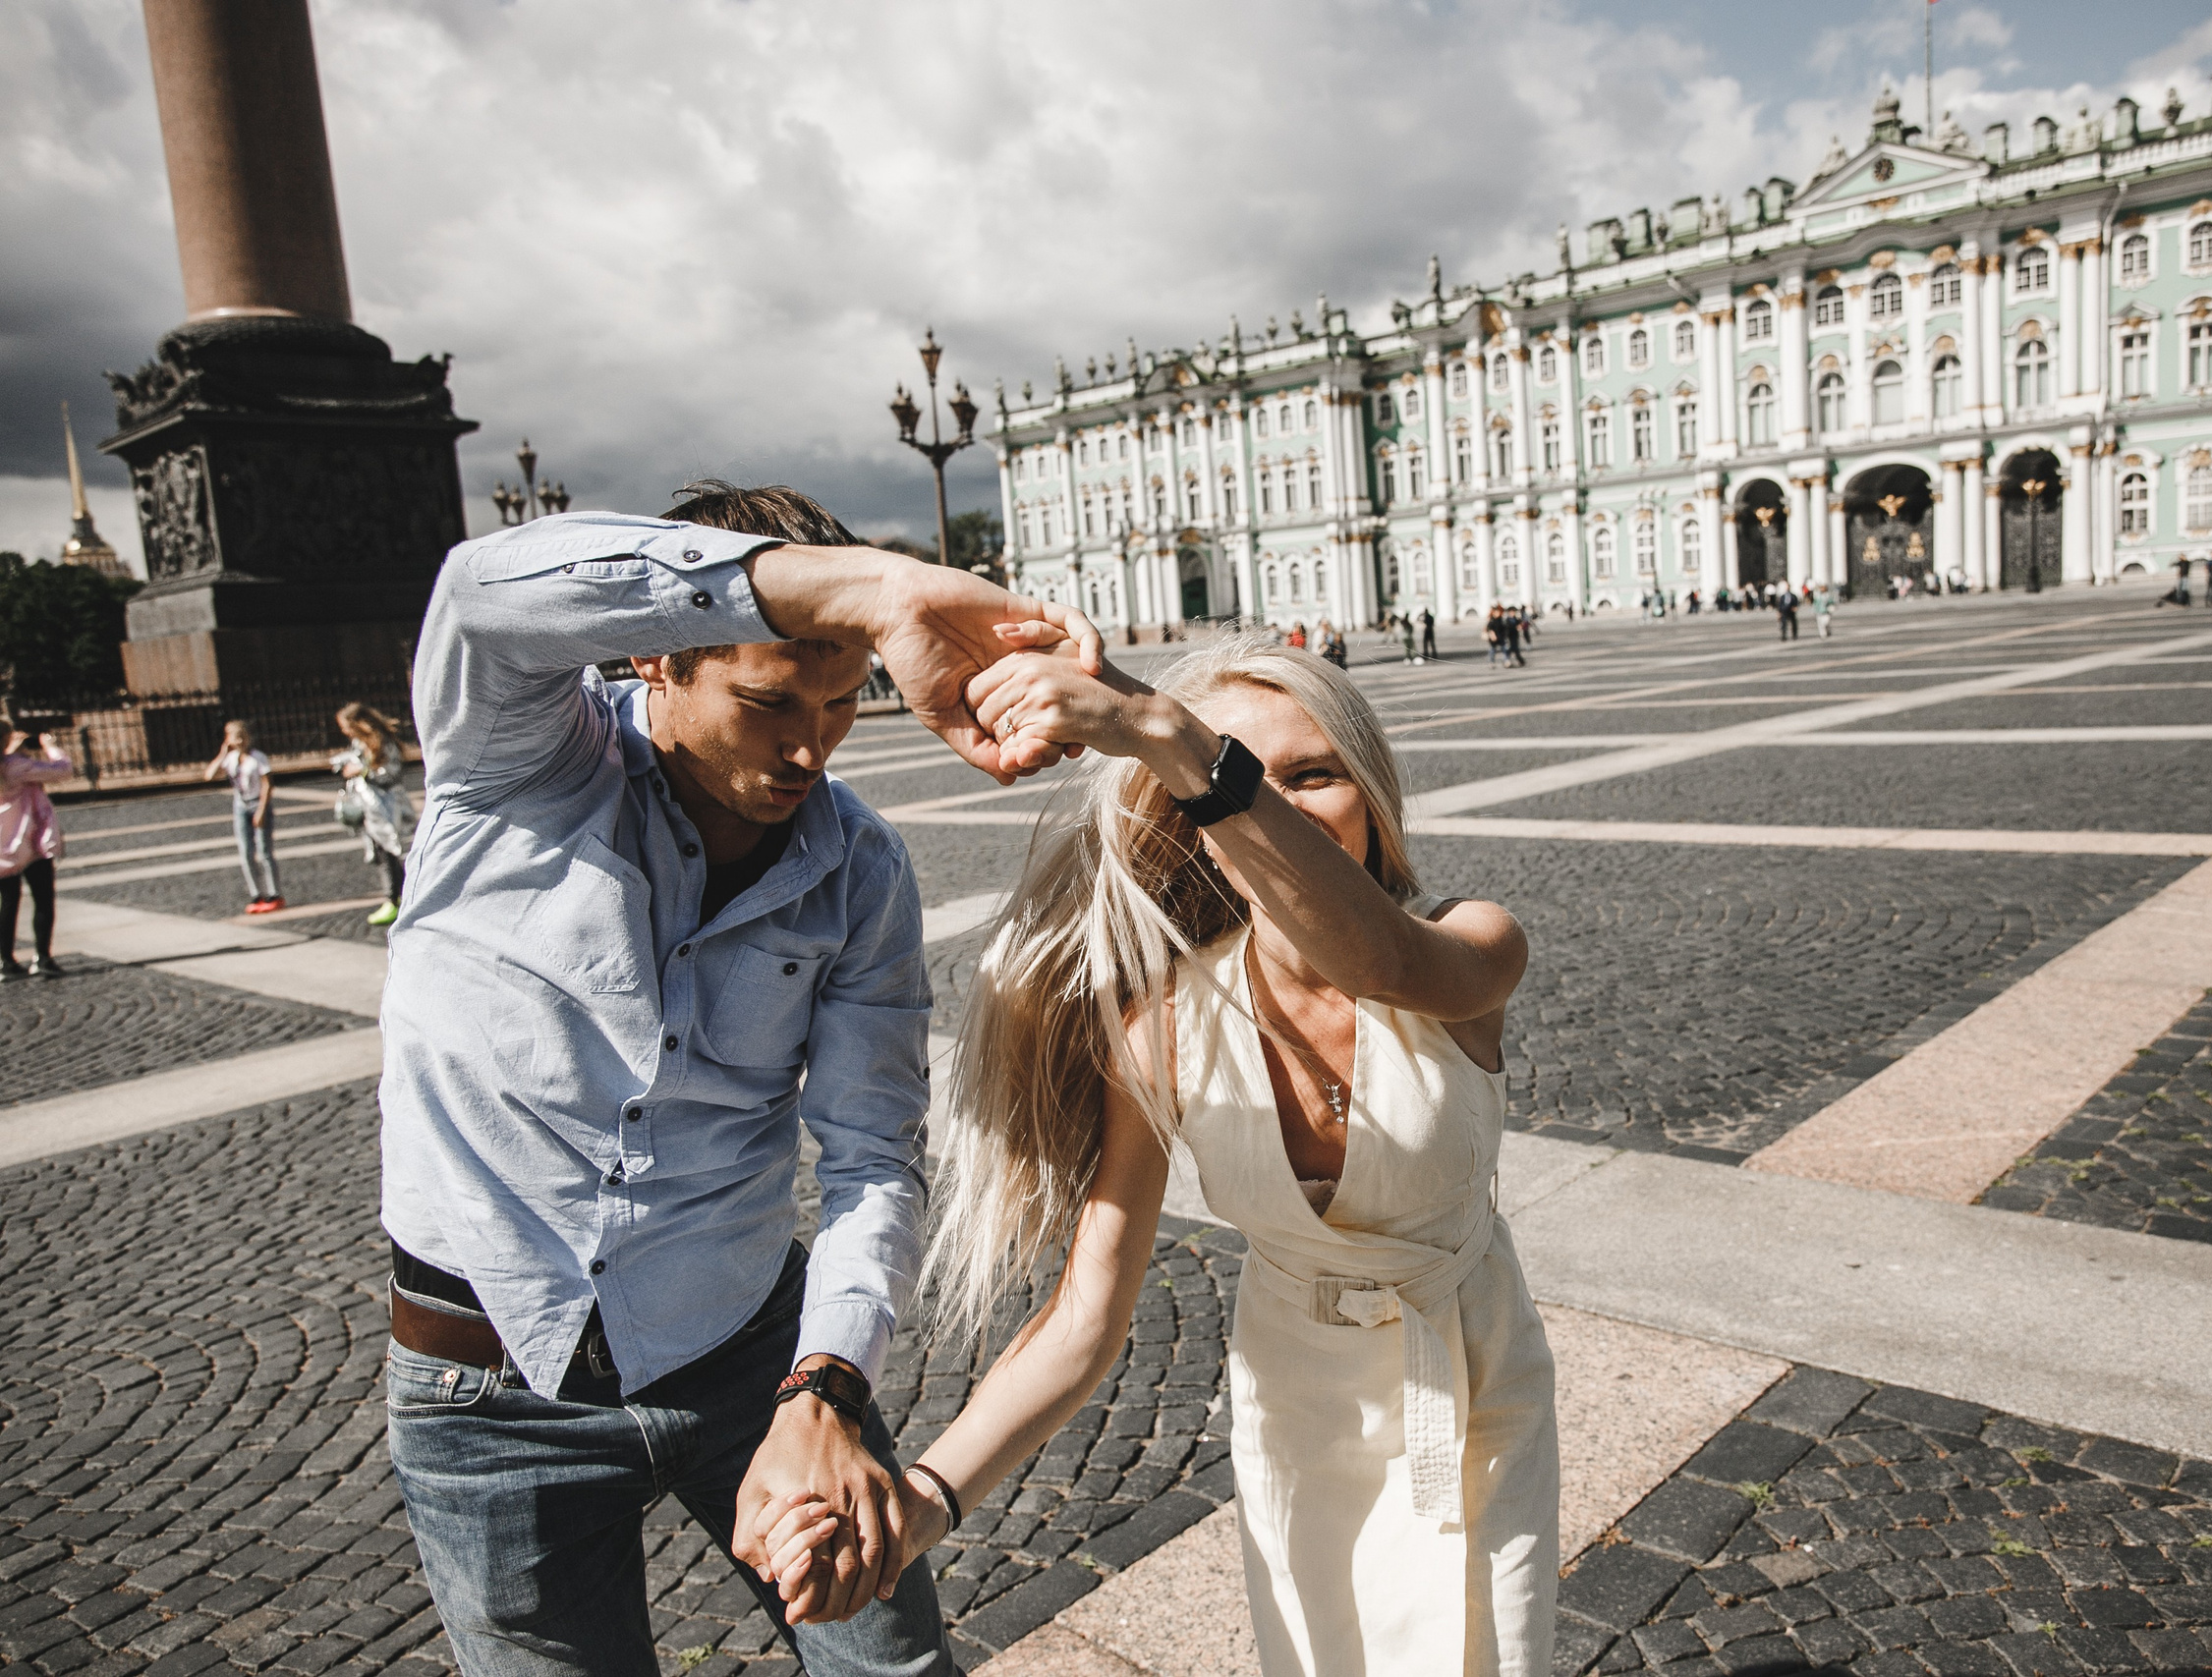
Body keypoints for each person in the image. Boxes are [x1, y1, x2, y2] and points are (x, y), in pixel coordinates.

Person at [376, 482, 1099, 1675]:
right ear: (656, 655)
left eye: (840, 701)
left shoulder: (857, 867)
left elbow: (872, 1153)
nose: (809, 747)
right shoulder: (515, 765)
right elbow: (478, 593)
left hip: (756, 1356)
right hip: (490, 1393)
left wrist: (824, 1384)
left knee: (891, 1662)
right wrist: (875, 586)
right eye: (769, 703)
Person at [870, 634, 1556, 1677]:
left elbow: (1373, 958)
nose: (1273, 806)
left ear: (1372, 796)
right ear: (1186, 823)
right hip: (1295, 1397)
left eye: (1313, 775)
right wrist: (923, 1500)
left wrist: (1170, 740)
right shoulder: (1162, 1028)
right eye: (1239, 779)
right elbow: (1083, 1321)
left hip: (1471, 1371)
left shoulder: (1471, 943)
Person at [0, 719, 73, 980]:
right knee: (42, 899)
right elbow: (63, 770)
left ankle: (5, 960)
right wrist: (50, 746)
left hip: (2, 846)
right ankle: (43, 957)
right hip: (31, 842)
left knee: (7, 903)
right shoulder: (17, 766)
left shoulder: (12, 764)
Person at [333, 701, 418, 926]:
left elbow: (391, 774)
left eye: (346, 726)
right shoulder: (360, 743)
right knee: (382, 853)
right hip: (370, 807)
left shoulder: (382, 743)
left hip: (387, 806)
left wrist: (361, 771)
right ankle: (396, 897)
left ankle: (396, 898)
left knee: (389, 851)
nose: (344, 731)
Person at [206, 719, 282, 913]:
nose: (239, 741)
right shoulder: (230, 758)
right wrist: (222, 753)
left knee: (265, 851)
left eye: (242, 737)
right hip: (240, 806)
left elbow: (267, 784)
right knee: (246, 852)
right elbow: (209, 775)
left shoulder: (258, 758)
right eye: (235, 737)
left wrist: (262, 811)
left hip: (257, 803)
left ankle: (275, 893)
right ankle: (256, 895)